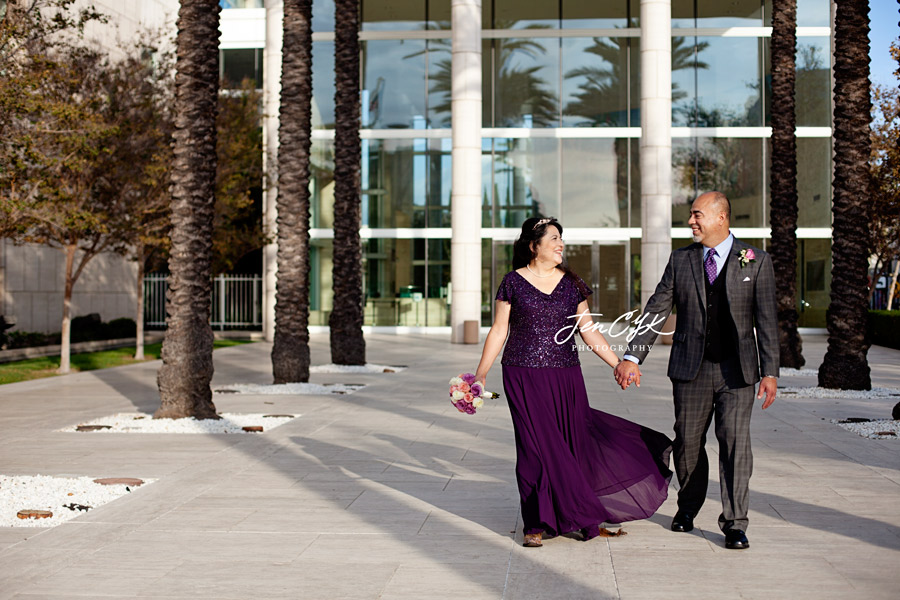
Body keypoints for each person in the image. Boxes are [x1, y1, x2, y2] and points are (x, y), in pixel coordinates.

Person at [474, 217, 673, 548]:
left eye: (561, 238)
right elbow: (499, 330)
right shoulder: (512, 282)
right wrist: (481, 372)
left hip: (566, 375)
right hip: (523, 375)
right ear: (533, 245)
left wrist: (619, 364)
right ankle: (536, 523)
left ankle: (577, 513)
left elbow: (589, 330)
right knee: (534, 449)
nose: (560, 244)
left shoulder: (571, 284)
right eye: (553, 238)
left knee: (573, 442)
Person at [614, 191, 779, 551]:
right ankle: (687, 508)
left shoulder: (754, 260)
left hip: (738, 373)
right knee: (687, 444)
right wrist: (632, 356)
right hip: (691, 370)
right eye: (691, 215)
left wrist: (770, 372)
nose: (691, 221)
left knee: (736, 446)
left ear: (721, 217)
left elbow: (766, 320)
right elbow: (656, 309)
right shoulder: (681, 260)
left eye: (697, 214)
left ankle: (735, 523)